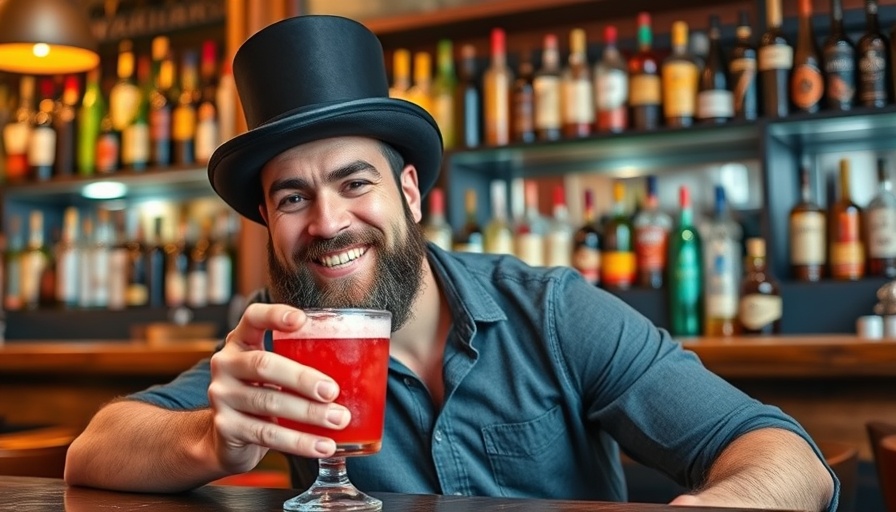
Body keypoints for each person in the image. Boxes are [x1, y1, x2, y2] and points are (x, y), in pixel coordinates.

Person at [64, 15, 837, 511]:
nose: (328, 223)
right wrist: (209, 440)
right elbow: (94, 450)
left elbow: (783, 454)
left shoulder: (551, 310)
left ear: (411, 192)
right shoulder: (278, 351)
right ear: (268, 220)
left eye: (354, 182)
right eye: (292, 198)